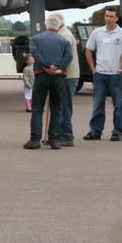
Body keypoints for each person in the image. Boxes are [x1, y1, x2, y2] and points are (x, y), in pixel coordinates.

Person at [82, 7, 122, 142]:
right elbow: (88, 50)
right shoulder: (97, 32)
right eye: (107, 16)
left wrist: (121, 69)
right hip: (100, 75)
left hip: (116, 75)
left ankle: (117, 132)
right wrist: (93, 69)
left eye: (111, 16)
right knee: (98, 104)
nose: (108, 18)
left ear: (116, 18)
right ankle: (95, 131)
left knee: (118, 105)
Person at [24, 14, 71, 150]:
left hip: (42, 75)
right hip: (58, 76)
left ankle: (35, 139)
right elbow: (69, 56)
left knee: (37, 108)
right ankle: (54, 139)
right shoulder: (64, 41)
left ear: (46, 25)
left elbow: (34, 52)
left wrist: (45, 65)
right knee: (57, 108)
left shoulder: (36, 39)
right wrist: (59, 67)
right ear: (59, 26)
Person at [53, 12, 80, 146]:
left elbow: (66, 56)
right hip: (66, 75)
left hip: (68, 76)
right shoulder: (62, 34)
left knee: (65, 107)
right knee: (61, 106)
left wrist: (58, 68)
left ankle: (67, 136)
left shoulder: (64, 35)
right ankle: (59, 135)